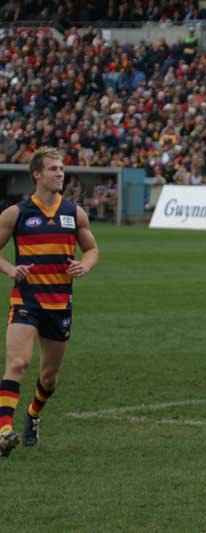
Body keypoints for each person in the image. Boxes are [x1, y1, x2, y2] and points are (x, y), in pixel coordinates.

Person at [0, 147, 99, 458]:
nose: (60, 174)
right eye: (54, 169)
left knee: (48, 376)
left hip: (59, 304)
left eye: (61, 169)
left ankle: (32, 414)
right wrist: (10, 269)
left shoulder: (74, 213)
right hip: (26, 300)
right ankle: (4, 431)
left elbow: (92, 249)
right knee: (17, 363)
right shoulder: (16, 214)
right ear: (37, 174)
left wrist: (85, 265)